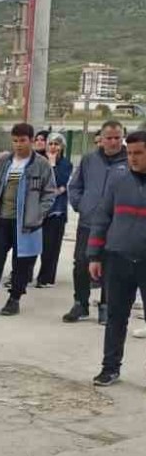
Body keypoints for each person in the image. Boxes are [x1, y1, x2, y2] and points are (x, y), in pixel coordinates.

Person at [0, 123, 58, 318]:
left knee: (22, 263)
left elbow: (49, 193)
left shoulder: (41, 164)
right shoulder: (5, 161)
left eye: (23, 140)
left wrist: (38, 214)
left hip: (26, 223)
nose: (19, 145)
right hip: (1, 220)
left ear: (31, 141)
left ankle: (14, 298)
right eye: (15, 141)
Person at [87, 131, 146, 387]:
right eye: (130, 153)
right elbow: (102, 218)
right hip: (118, 258)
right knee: (116, 316)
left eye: (139, 153)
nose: (133, 158)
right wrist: (94, 255)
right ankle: (110, 368)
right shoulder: (118, 180)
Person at [65, 121, 128, 325]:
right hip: (88, 222)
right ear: (100, 138)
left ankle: (106, 306)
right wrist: (81, 205)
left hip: (117, 224)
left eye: (117, 137)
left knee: (111, 266)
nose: (113, 142)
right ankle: (80, 304)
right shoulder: (89, 160)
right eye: (108, 137)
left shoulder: (130, 161)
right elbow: (75, 186)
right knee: (82, 263)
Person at [36, 133, 72, 288]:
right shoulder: (38, 162)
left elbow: (58, 181)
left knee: (51, 246)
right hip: (39, 210)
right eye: (50, 143)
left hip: (56, 211)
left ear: (62, 147)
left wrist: (52, 164)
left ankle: (46, 278)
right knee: (34, 244)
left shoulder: (65, 164)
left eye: (57, 144)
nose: (53, 147)